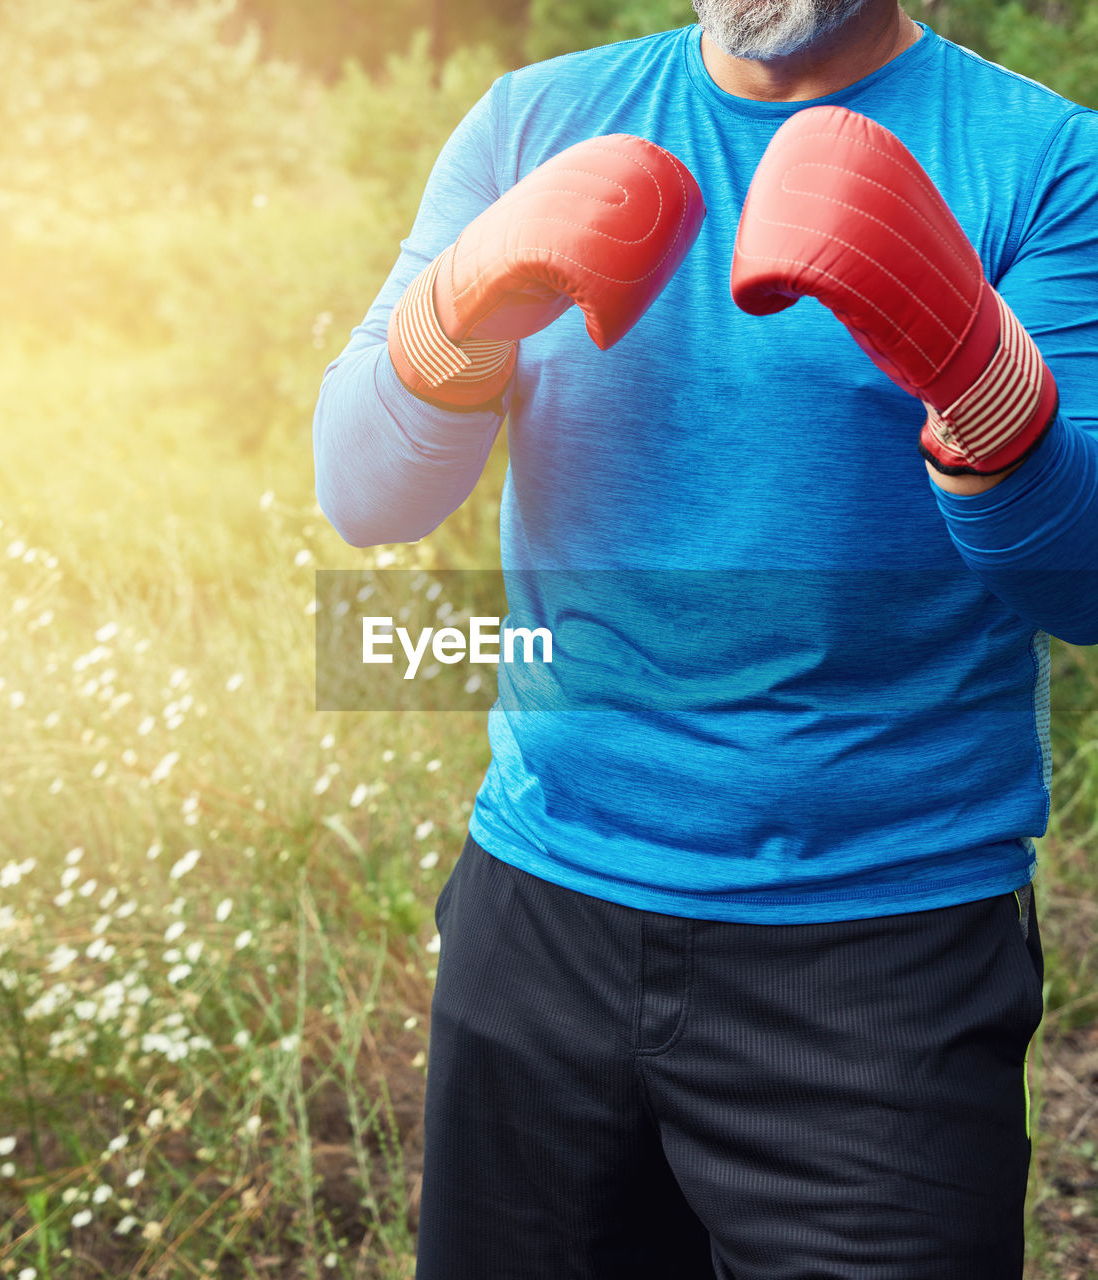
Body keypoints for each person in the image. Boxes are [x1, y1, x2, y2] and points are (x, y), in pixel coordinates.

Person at [312, 0, 1098, 1275]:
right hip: (542, 915)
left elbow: (1085, 587)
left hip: (879, 957)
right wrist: (454, 310)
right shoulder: (530, 123)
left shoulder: (1046, 161)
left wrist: (981, 381)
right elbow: (364, 491)